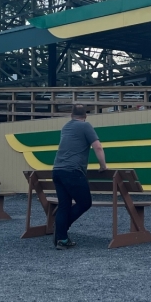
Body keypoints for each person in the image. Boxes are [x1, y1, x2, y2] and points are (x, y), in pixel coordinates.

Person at [51, 104, 108, 249]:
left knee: (64, 205)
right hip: (73, 171)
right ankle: (61, 229)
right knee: (85, 203)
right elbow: (98, 146)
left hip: (57, 170)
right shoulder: (85, 126)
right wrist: (103, 166)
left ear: (71, 115)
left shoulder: (65, 127)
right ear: (85, 116)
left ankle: (62, 239)